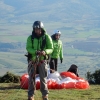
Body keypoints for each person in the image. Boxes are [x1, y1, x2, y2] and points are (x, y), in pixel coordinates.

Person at [26, 21, 53, 100]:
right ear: (34, 29)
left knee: (43, 78)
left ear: (42, 29)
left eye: (38, 29)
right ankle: (31, 95)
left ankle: (45, 95)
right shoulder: (30, 38)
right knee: (31, 78)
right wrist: (35, 52)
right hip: (33, 60)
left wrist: (45, 52)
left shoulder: (47, 37)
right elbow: (28, 48)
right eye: (36, 29)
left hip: (42, 60)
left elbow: (51, 48)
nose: (37, 31)